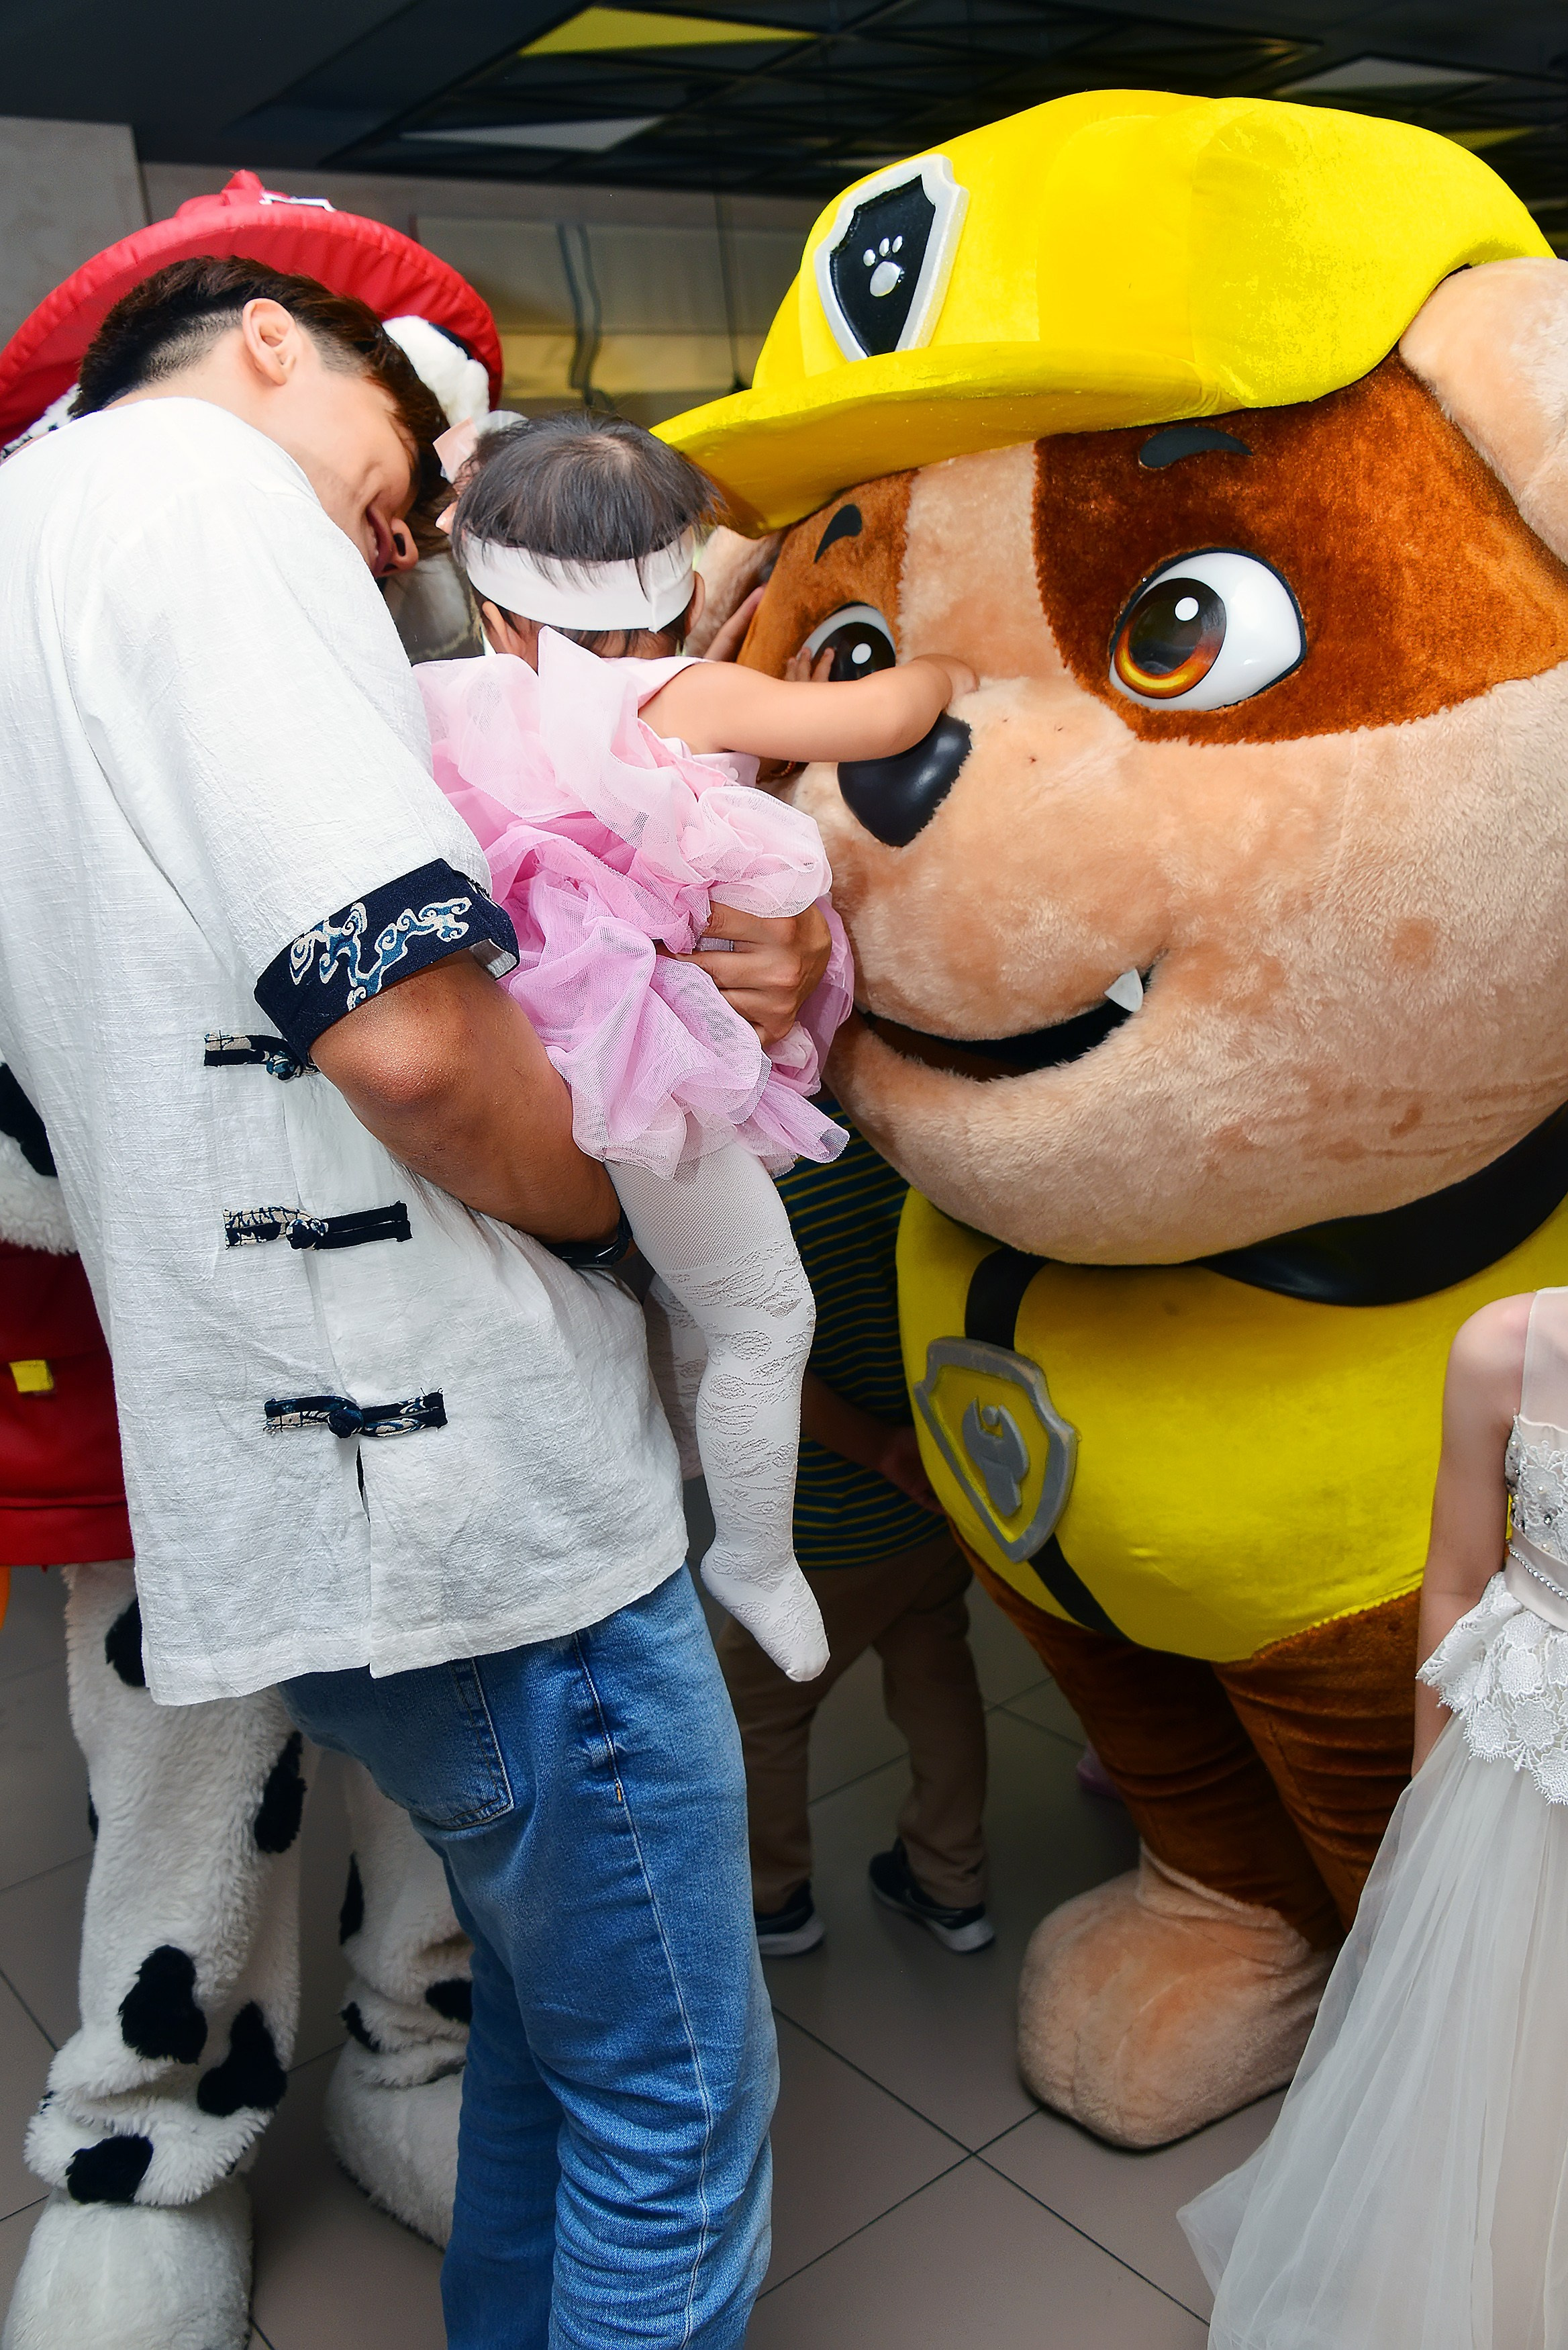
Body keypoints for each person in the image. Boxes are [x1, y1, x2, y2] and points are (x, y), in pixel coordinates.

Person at [0, 253, 829, 2350]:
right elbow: (415, 1039)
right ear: (268, 334)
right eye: (405, 435)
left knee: (551, 2042)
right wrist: (608, 1200)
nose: (421, 501)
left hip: (288, 1478)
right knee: (677, 2096)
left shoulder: (29, 538)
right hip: (475, 1504)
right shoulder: (201, 495)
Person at [418, 412, 976, 1685]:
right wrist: (947, 667)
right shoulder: (669, 693)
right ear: (670, 599)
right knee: (766, 1315)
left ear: (493, 605)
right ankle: (757, 1557)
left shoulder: (447, 708)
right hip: (639, 1053)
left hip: (523, 1051)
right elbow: (887, 715)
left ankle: (708, 1486)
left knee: (688, 1304)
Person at [1181, 1284, 1568, 2348]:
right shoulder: (1505, 1348)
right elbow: (1454, 1581)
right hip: (1527, 1788)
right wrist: (1426, 1794)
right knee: (1500, 2062)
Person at [716, 1096, 993, 1957]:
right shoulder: (898, 1143)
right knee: (936, 1678)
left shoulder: (751, 1186)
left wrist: (877, 1448)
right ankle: (951, 1882)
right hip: (935, 1496)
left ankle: (773, 1898)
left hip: (821, 1521)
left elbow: (770, 1375)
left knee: (756, 1712)